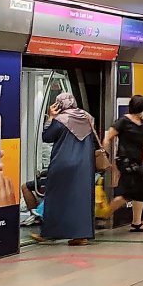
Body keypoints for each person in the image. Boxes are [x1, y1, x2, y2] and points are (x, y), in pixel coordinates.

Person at [32, 93, 98, 246]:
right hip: (84, 165)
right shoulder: (87, 117)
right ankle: (81, 235)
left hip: (63, 164)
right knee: (81, 200)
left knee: (55, 198)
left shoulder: (61, 120)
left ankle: (50, 233)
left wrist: (50, 117)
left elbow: (47, 137)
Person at [104, 95, 143, 232]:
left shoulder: (142, 123)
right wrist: (106, 157)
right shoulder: (123, 121)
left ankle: (136, 223)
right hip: (125, 161)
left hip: (138, 161)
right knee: (128, 192)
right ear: (139, 107)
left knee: (140, 191)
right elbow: (108, 138)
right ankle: (103, 214)